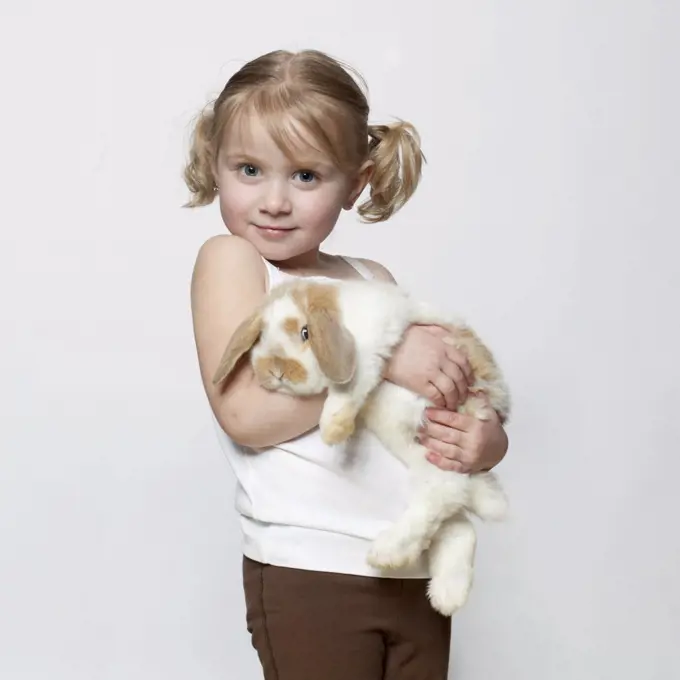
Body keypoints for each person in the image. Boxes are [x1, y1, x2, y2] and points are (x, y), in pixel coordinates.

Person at [185, 48, 508, 680]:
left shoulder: (371, 278)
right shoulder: (235, 260)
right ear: (215, 164)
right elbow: (244, 413)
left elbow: (424, 403)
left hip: (413, 567)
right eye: (249, 169)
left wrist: (482, 440)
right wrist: (381, 359)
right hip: (312, 570)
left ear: (355, 183)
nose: (274, 200)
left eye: (305, 176)